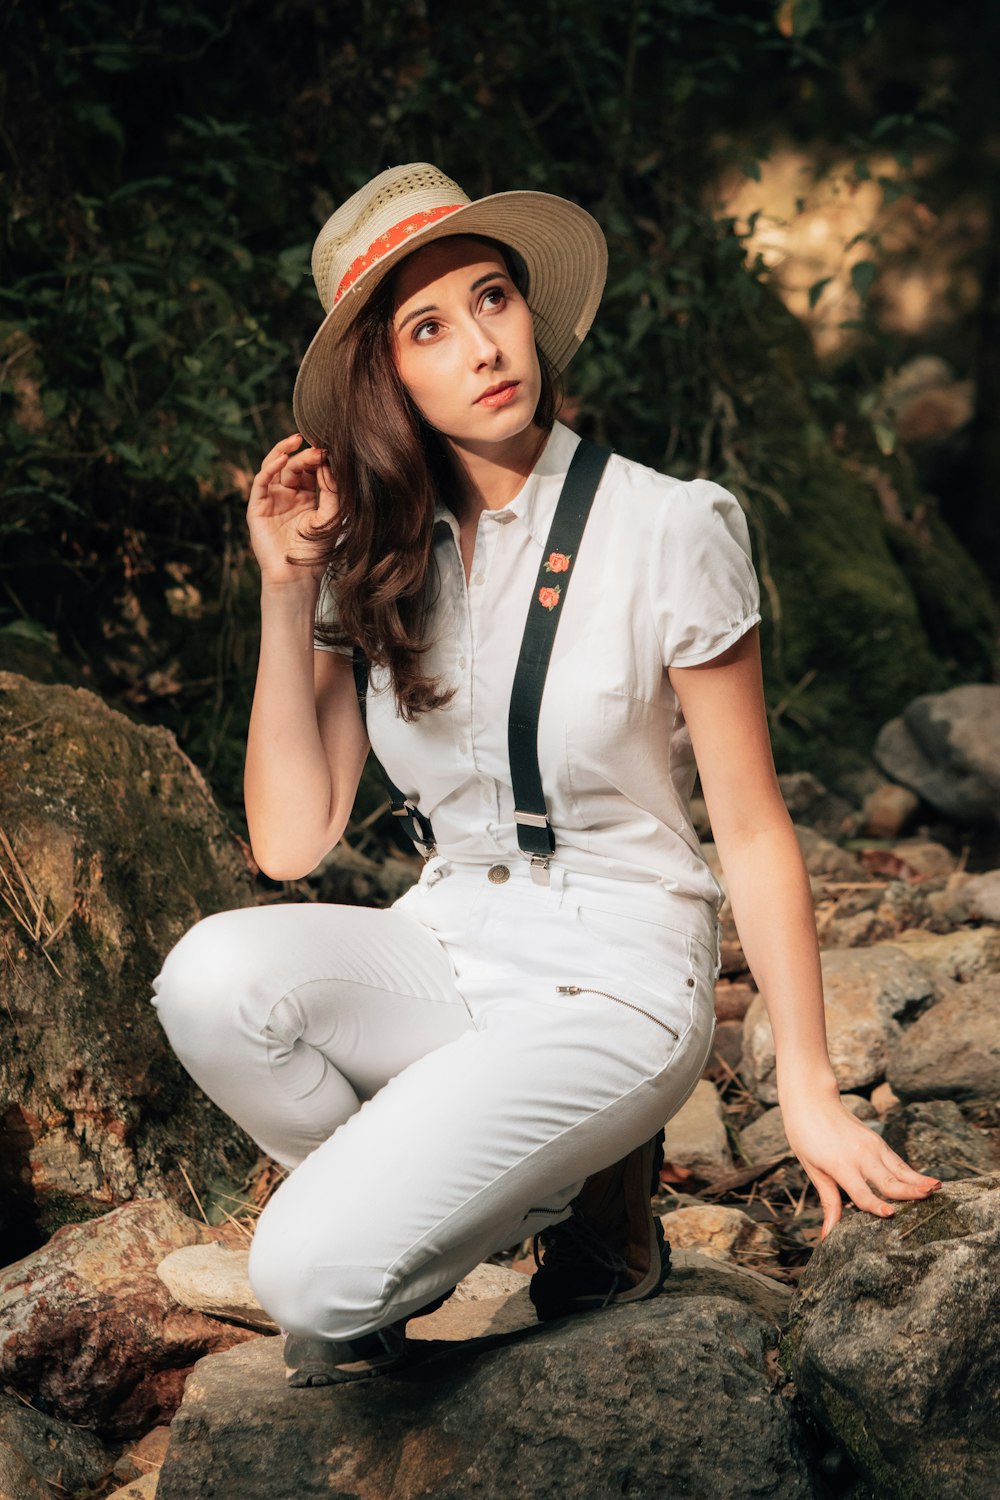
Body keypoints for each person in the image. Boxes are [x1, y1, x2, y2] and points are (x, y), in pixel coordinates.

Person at [151, 162, 941, 1388]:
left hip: (616, 968)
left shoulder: (670, 526)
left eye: (492, 300)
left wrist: (808, 1087)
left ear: (530, 312)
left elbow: (751, 824)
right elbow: (290, 840)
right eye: (429, 327)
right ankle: (560, 1196)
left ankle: (509, 1186)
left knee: (307, 1286)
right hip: (452, 940)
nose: (480, 345)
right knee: (208, 980)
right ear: (388, 380)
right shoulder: (380, 558)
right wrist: (283, 584)